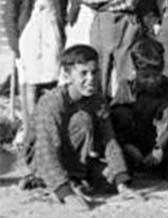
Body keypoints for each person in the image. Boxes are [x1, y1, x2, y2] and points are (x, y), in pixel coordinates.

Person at [31, 44, 141, 210]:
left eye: (94, 72)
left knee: (118, 174)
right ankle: (53, 182)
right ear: (67, 76)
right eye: (83, 73)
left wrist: (122, 185)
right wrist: (66, 194)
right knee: (82, 120)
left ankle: (76, 180)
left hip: (77, 158)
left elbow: (109, 141)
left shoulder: (97, 99)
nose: (91, 79)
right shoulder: (52, 102)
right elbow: (46, 150)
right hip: (42, 159)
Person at [3, 0, 64, 150]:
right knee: (31, 81)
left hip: (52, 29)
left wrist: (70, 15)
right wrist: (15, 45)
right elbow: (10, 16)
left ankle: (53, 127)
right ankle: (31, 132)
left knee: (53, 76)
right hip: (29, 34)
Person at [110, 37, 168, 173]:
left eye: (156, 75)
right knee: (119, 112)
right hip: (135, 144)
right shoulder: (126, 87)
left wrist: (160, 148)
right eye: (146, 76)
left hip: (163, 147)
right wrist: (127, 144)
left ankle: (164, 165)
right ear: (135, 71)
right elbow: (114, 119)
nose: (152, 81)